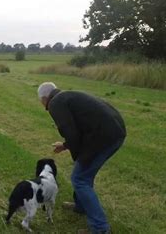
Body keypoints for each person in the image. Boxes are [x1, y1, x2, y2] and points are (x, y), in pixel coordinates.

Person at [38, 82, 126, 234]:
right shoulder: (66, 96)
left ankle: (100, 229)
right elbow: (78, 130)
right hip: (114, 131)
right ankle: (81, 206)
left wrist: (77, 156)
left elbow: (71, 133)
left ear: (44, 98)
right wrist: (66, 146)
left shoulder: (55, 104)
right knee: (83, 174)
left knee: (80, 179)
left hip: (104, 137)